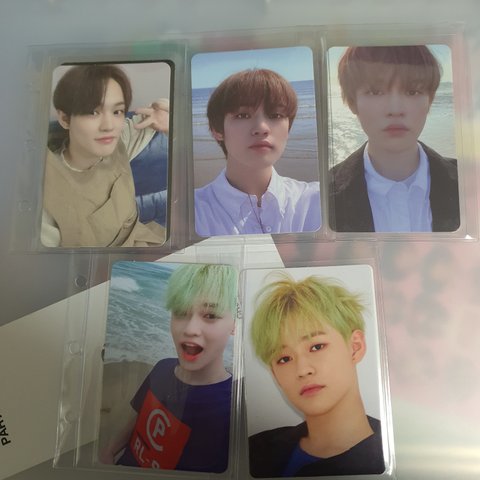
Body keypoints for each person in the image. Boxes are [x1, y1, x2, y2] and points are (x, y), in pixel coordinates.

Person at [100, 263, 237, 473]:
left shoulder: (232, 407)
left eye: (210, 315)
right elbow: (139, 414)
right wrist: (110, 451)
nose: (190, 329)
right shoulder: (162, 368)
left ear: (234, 324)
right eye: (180, 312)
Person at [248, 274, 385, 477]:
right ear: (274, 374)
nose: (303, 370)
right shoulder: (253, 450)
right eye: (284, 359)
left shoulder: (396, 456)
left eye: (316, 347)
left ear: (355, 347)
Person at [329, 45, 460, 233]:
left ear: (429, 101)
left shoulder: (469, 182)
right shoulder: (322, 196)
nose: (395, 109)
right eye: (375, 92)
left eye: (412, 91)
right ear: (352, 102)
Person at [41, 64, 169, 247]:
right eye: (93, 112)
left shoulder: (119, 141)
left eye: (117, 111)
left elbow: (161, 113)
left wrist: (167, 117)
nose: (109, 125)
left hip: (146, 243)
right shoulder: (43, 197)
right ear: (65, 119)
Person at [194, 68, 321, 236]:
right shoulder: (191, 212)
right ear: (217, 130)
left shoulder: (317, 201)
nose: (262, 128)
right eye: (242, 115)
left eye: (275, 115)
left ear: (288, 128)